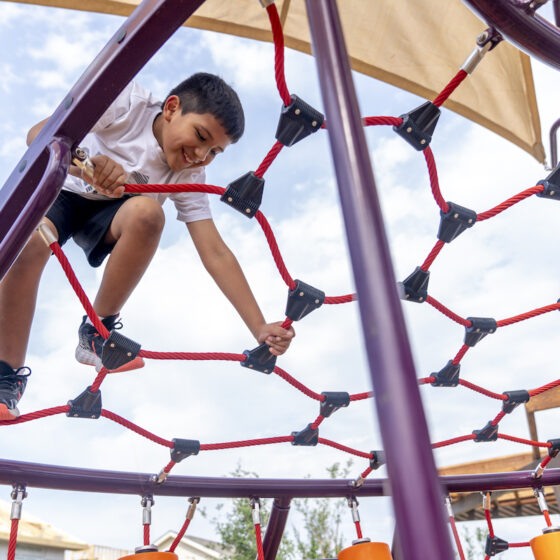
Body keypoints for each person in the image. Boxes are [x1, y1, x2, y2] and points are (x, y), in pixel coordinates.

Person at [0, 73, 295, 420]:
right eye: (200, 136)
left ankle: (97, 331)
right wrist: (85, 166)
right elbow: (38, 135)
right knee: (30, 245)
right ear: (172, 108)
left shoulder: (189, 176)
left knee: (149, 213)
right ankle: (5, 377)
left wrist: (259, 326)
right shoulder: (127, 105)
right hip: (65, 191)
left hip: (114, 216)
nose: (200, 154)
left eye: (214, 152)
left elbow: (214, 251)